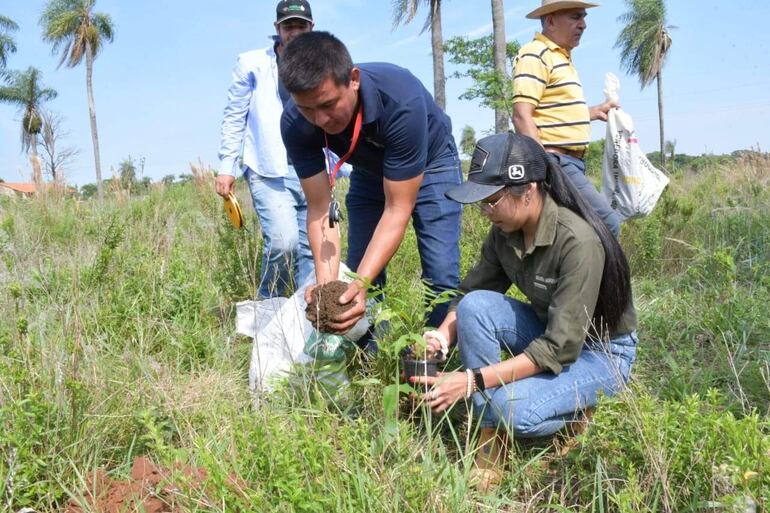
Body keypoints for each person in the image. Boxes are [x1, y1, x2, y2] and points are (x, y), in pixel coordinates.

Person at [412, 133, 638, 490]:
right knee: (474, 307)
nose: (486, 213)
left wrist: (472, 381)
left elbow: (561, 348)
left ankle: (572, 408)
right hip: (553, 331)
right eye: (481, 204)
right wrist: (442, 335)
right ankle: (491, 438)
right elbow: (472, 293)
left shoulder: (577, 241)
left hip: (601, 352)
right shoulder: (505, 232)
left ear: (528, 189)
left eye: (491, 201)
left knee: (509, 408)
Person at [278, 31, 463, 334]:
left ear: (353, 79)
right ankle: (372, 354)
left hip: (432, 162)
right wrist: (330, 289)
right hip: (369, 169)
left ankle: (438, 354)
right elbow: (320, 208)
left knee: (440, 274)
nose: (320, 119)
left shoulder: (401, 100)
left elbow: (397, 208)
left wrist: (359, 284)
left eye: (328, 105)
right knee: (360, 269)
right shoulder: (295, 124)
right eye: (307, 109)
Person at [216, 0, 315, 298]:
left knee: (312, 249)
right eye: (289, 26)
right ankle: (267, 312)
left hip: (311, 168)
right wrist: (226, 167)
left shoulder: (321, 61)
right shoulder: (252, 64)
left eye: (301, 26)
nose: (295, 32)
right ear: (277, 29)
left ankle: (305, 322)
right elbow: (234, 115)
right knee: (284, 244)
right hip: (267, 167)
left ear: (312, 28)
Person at [512, 0, 621, 236]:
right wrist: (545, 167)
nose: (583, 25)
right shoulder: (536, 54)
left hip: (571, 163)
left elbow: (551, 111)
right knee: (607, 224)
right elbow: (522, 115)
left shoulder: (561, 58)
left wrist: (593, 113)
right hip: (556, 161)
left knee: (569, 232)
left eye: (583, 18)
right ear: (550, 20)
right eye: (575, 17)